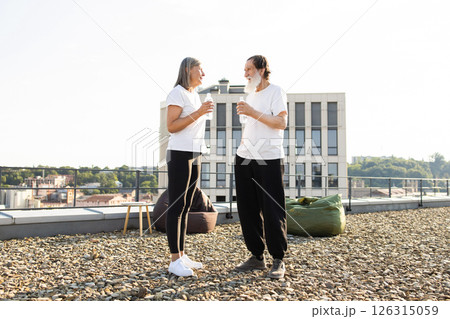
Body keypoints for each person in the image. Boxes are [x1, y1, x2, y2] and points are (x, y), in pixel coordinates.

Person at [234, 55, 288, 279]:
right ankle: (257, 257)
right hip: (245, 157)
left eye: (249, 69)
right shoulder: (250, 94)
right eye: (244, 69)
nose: (245, 73)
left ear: (262, 69)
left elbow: (281, 123)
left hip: (269, 157)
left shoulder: (276, 92)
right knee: (247, 209)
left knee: (271, 209)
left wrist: (252, 112)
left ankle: (278, 260)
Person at [165, 57, 213, 277]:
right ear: (187, 70)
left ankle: (182, 255)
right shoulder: (177, 93)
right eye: (199, 69)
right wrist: (200, 112)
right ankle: (174, 260)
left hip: (195, 154)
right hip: (179, 153)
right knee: (176, 206)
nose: (203, 73)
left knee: (186, 206)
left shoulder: (194, 95)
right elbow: (172, 126)